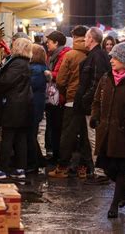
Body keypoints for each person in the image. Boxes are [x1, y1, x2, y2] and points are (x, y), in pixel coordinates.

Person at [89, 42, 125, 218]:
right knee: (108, 168)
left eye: (115, 57)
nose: (111, 60)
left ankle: (114, 205)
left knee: (121, 169)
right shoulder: (106, 79)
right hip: (106, 132)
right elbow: (96, 101)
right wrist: (95, 116)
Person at [49, 25, 89, 178]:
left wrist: (66, 92)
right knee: (85, 136)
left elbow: (60, 80)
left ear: (74, 36)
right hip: (88, 101)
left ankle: (63, 167)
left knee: (68, 135)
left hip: (72, 99)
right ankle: (83, 167)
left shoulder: (70, 55)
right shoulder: (92, 53)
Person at [0, 38, 34, 180]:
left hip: (14, 105)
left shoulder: (18, 63)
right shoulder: (25, 63)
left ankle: (2, 169)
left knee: (8, 137)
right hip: (22, 104)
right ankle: (19, 168)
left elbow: (7, 81)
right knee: (20, 137)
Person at [75, 27, 112, 185]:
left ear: (91, 39)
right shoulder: (97, 55)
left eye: (86, 37)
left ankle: (100, 170)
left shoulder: (97, 56)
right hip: (91, 103)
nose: (84, 40)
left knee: (95, 137)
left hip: (93, 105)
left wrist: (85, 98)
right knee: (93, 137)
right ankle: (97, 169)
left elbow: (97, 82)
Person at [44, 31, 71, 162]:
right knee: (53, 126)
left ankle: (58, 156)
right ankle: (55, 154)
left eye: (49, 42)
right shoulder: (52, 55)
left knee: (57, 127)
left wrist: (49, 74)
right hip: (52, 96)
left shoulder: (64, 55)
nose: (46, 44)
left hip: (60, 97)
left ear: (56, 42)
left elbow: (60, 75)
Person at [28, 44, 48, 172]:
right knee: (32, 133)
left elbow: (31, 85)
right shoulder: (42, 68)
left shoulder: (35, 69)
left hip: (34, 104)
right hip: (38, 103)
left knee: (31, 134)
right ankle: (38, 160)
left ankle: (35, 162)